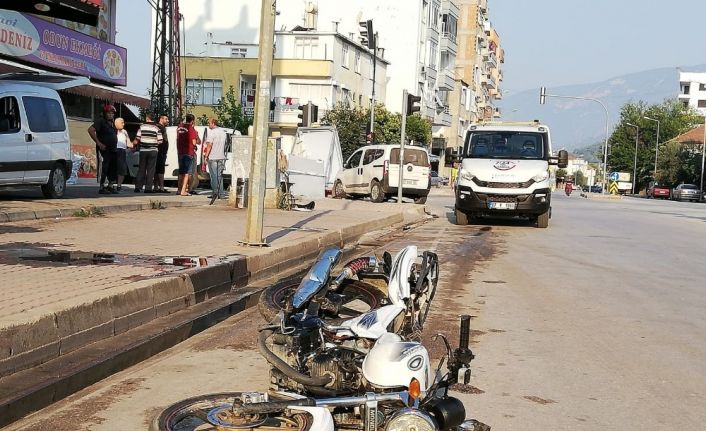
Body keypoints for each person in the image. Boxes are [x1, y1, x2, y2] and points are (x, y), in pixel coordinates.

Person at [88, 104, 118, 194]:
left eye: (112, 113)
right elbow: (90, 130)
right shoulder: (100, 121)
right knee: (104, 167)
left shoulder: (112, 124)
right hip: (104, 149)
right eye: (109, 113)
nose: (111, 115)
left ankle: (110, 185)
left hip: (113, 149)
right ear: (105, 113)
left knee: (112, 167)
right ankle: (102, 187)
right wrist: (99, 143)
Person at [133, 113, 163, 193]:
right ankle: (148, 188)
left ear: (147, 118)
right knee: (151, 170)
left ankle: (138, 187)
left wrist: (133, 144)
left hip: (143, 150)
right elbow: (160, 141)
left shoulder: (142, 127)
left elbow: (137, 138)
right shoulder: (157, 128)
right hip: (153, 151)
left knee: (141, 169)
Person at [203, 117, 228, 199]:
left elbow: (209, 145)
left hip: (213, 157)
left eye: (209, 123)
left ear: (213, 123)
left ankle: (215, 193)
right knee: (219, 176)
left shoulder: (212, 133)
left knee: (213, 176)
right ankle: (221, 194)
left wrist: (206, 156)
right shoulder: (223, 132)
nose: (208, 124)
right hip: (221, 157)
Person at [176, 113, 198, 196]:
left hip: (180, 152)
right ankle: (183, 191)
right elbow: (194, 142)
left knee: (181, 172)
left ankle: (178, 189)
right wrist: (195, 146)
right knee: (187, 173)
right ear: (192, 121)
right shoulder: (191, 129)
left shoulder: (179, 127)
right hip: (188, 152)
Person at [153, 114, 170, 193]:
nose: (167, 121)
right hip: (160, 151)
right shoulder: (160, 127)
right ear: (161, 119)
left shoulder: (158, 127)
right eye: (166, 119)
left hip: (160, 151)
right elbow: (160, 140)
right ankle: (161, 187)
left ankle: (156, 187)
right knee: (160, 169)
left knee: (157, 169)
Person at [114, 117, 131, 191]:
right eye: (122, 123)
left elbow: (129, 142)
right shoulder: (113, 130)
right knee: (113, 168)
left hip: (123, 151)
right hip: (115, 150)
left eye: (124, 122)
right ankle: (110, 185)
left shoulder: (125, 131)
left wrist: (131, 147)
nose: (123, 124)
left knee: (122, 169)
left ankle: (119, 186)